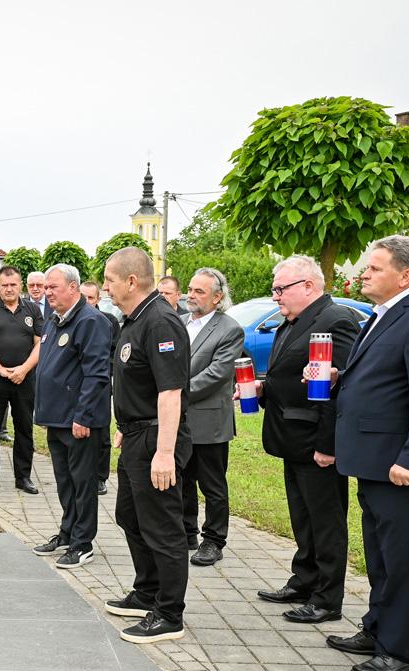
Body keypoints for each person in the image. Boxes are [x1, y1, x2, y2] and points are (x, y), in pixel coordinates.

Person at [327, 236, 409, 671]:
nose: (364, 274)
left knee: (402, 561)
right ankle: (377, 629)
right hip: (374, 460)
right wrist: (340, 376)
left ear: (405, 275)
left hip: (402, 467)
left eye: (374, 268)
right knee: (381, 556)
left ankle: (400, 650)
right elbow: (385, 377)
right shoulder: (384, 314)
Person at [252, 256, 360, 624]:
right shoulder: (291, 322)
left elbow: (341, 388)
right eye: (275, 290)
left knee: (326, 522)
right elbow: (288, 375)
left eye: (280, 289)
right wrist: (263, 388)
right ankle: (304, 580)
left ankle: (327, 598)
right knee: (303, 518)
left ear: (308, 286)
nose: (275, 296)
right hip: (291, 438)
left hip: (317, 442)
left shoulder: (336, 320)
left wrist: (329, 446)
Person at [101, 247, 192, 644]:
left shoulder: (160, 322)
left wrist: (165, 453)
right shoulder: (134, 320)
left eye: (110, 280)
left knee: (162, 527)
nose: (106, 287)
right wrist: (127, 424)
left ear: (131, 281)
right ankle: (147, 591)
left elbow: (171, 392)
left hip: (158, 439)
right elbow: (138, 380)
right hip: (137, 434)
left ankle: (169, 613)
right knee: (131, 516)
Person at [32, 264, 114, 569]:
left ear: (73, 287)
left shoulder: (91, 321)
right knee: (65, 482)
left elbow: (96, 374)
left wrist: (83, 416)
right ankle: (67, 532)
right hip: (56, 417)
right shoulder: (54, 320)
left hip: (79, 421)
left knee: (83, 484)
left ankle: (83, 543)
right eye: (46, 287)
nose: (47, 292)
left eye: (53, 287)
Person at [180, 268, 245, 567]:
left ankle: (214, 540)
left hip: (208, 421)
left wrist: (175, 393)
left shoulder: (229, 329)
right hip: (179, 419)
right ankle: (186, 532)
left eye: (199, 291)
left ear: (217, 297)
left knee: (212, 485)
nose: (191, 296)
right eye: (190, 289)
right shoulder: (180, 322)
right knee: (182, 479)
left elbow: (218, 373)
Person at [0, 266, 43, 495]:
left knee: (24, 429)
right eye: (5, 285)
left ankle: (23, 477)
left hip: (25, 379)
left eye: (13, 285)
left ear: (20, 285)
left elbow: (41, 343)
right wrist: (0, 369)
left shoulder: (32, 309)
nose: (9, 289)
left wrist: (24, 369)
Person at [80, 280, 119, 496]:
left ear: (98, 299)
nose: (86, 302)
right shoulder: (72, 321)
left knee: (102, 432)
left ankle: (100, 477)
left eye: (90, 298)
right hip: (78, 386)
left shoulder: (108, 321)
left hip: (101, 384)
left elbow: (115, 354)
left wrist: (103, 373)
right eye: (83, 297)